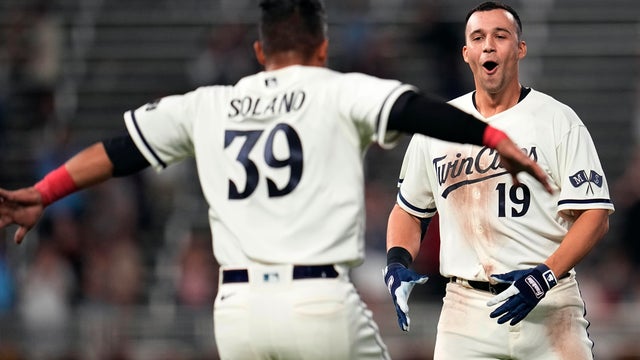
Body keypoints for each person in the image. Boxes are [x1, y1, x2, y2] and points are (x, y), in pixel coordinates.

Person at [0, 1, 551, 359]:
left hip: (236, 313)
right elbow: (418, 110)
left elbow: (121, 151)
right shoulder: (336, 88)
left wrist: (44, 192)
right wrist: (497, 140)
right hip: (317, 301)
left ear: (261, 52)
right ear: (323, 49)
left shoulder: (209, 103)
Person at [384, 1, 614, 359]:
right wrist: (397, 262)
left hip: (548, 304)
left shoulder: (558, 120)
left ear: (520, 48)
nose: (488, 45)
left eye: (500, 36)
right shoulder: (438, 127)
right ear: (466, 53)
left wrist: (545, 276)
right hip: (465, 310)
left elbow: (595, 216)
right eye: (478, 37)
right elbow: (409, 209)